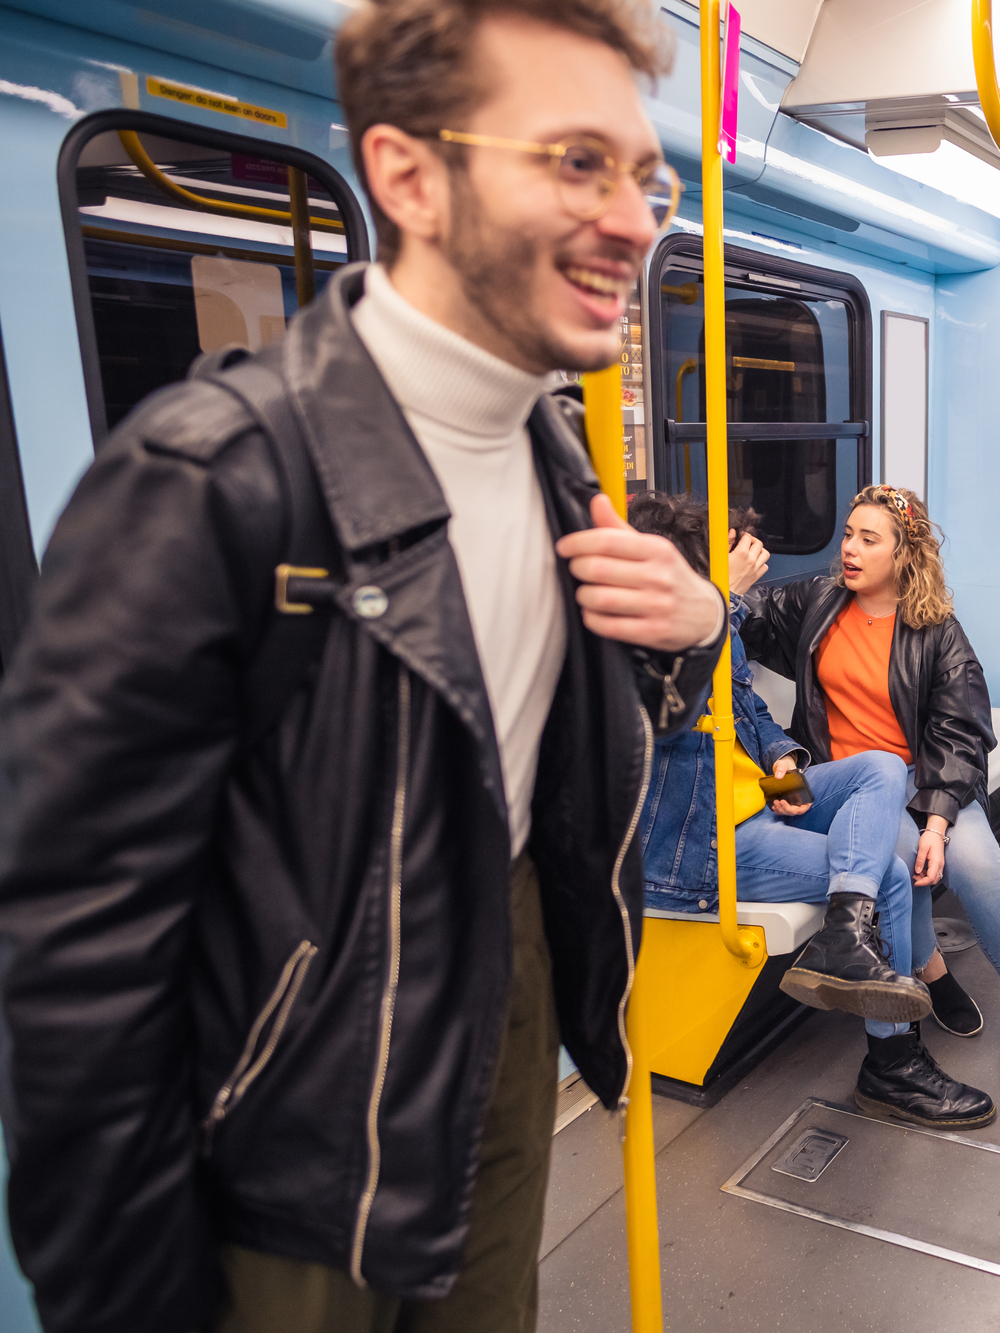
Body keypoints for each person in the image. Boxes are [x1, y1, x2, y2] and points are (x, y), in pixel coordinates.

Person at [0, 2, 727, 1330]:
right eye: (574, 161)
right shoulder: (210, 485)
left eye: (643, 173)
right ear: (407, 176)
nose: (634, 219)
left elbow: (537, 750)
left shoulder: (555, 460)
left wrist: (698, 631)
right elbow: (77, 977)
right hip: (287, 1114)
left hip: (502, 1019)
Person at [626, 495, 1000, 1127]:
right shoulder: (648, 633)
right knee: (884, 872)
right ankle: (892, 1065)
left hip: (758, 800)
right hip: (708, 840)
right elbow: (672, 711)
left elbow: (748, 710)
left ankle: (844, 938)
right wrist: (723, 600)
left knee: (881, 765)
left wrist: (783, 760)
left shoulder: (709, 622)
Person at [737, 486, 1000, 1084]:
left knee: (977, 863)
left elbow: (960, 734)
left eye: (869, 539)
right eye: (848, 534)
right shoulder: (816, 601)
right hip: (847, 784)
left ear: (904, 554)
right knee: (899, 860)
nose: (850, 550)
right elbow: (738, 625)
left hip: (924, 778)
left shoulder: (937, 631)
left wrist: (938, 821)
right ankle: (932, 974)